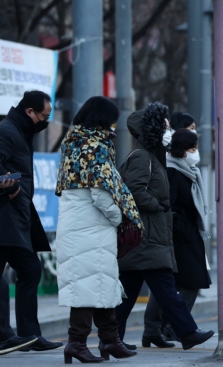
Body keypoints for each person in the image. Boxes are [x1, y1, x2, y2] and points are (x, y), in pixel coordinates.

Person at [115, 103, 214, 350]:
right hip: (147, 237)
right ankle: (188, 333)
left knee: (129, 295)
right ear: (152, 130)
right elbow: (134, 191)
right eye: (165, 126)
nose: (169, 130)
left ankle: (112, 338)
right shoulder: (141, 157)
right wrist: (159, 207)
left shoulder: (152, 157)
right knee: (166, 291)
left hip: (148, 238)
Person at [55, 96, 141, 363]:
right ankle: (77, 344)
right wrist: (119, 218)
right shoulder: (95, 146)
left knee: (100, 283)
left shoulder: (72, 143)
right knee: (87, 288)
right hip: (91, 225)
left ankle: (110, 341)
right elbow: (101, 192)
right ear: (103, 119)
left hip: (77, 223)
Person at [0, 90, 62, 352]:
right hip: (5, 213)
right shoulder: (7, 130)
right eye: (44, 116)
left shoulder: (20, 131)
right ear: (29, 112)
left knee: (28, 270)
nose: (45, 121)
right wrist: (11, 188)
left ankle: (27, 336)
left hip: (16, 214)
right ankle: (10, 335)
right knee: (26, 270)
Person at [142, 129, 212, 344]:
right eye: (192, 149)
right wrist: (183, 228)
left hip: (186, 235)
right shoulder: (173, 172)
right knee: (190, 282)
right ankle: (174, 327)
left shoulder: (187, 170)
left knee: (167, 284)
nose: (195, 153)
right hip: (180, 237)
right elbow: (168, 206)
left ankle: (153, 329)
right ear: (181, 150)